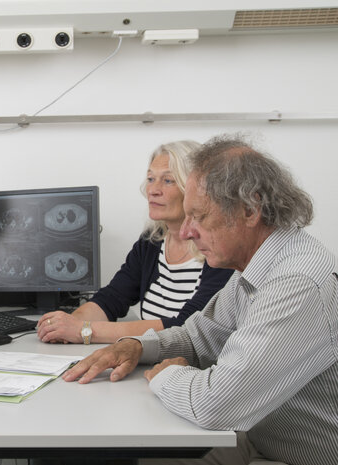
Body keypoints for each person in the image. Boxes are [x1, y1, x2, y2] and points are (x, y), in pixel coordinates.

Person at [63, 135, 338, 465]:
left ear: (250, 210)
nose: (188, 231)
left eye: (200, 216)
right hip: (260, 434)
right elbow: (199, 336)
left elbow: (216, 404)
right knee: (134, 457)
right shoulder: (256, 265)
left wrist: (167, 372)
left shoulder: (296, 282)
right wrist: (136, 346)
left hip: (300, 455)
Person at [37, 141, 233, 344]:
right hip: (145, 359)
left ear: (195, 188)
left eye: (168, 181)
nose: (153, 190)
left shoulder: (220, 250)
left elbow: (187, 326)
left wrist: (85, 331)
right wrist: (67, 324)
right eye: (150, 179)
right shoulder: (152, 241)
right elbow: (112, 298)